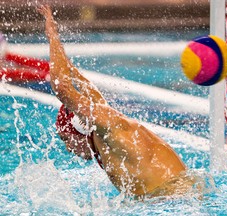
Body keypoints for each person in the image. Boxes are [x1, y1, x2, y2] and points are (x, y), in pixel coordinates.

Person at [38, 5, 202, 198]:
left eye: (66, 138)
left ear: (80, 128)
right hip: (182, 193)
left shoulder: (107, 126)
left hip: (176, 200)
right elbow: (84, 85)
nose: (67, 148)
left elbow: (62, 87)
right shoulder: (105, 123)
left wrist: (52, 37)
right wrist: (63, 56)